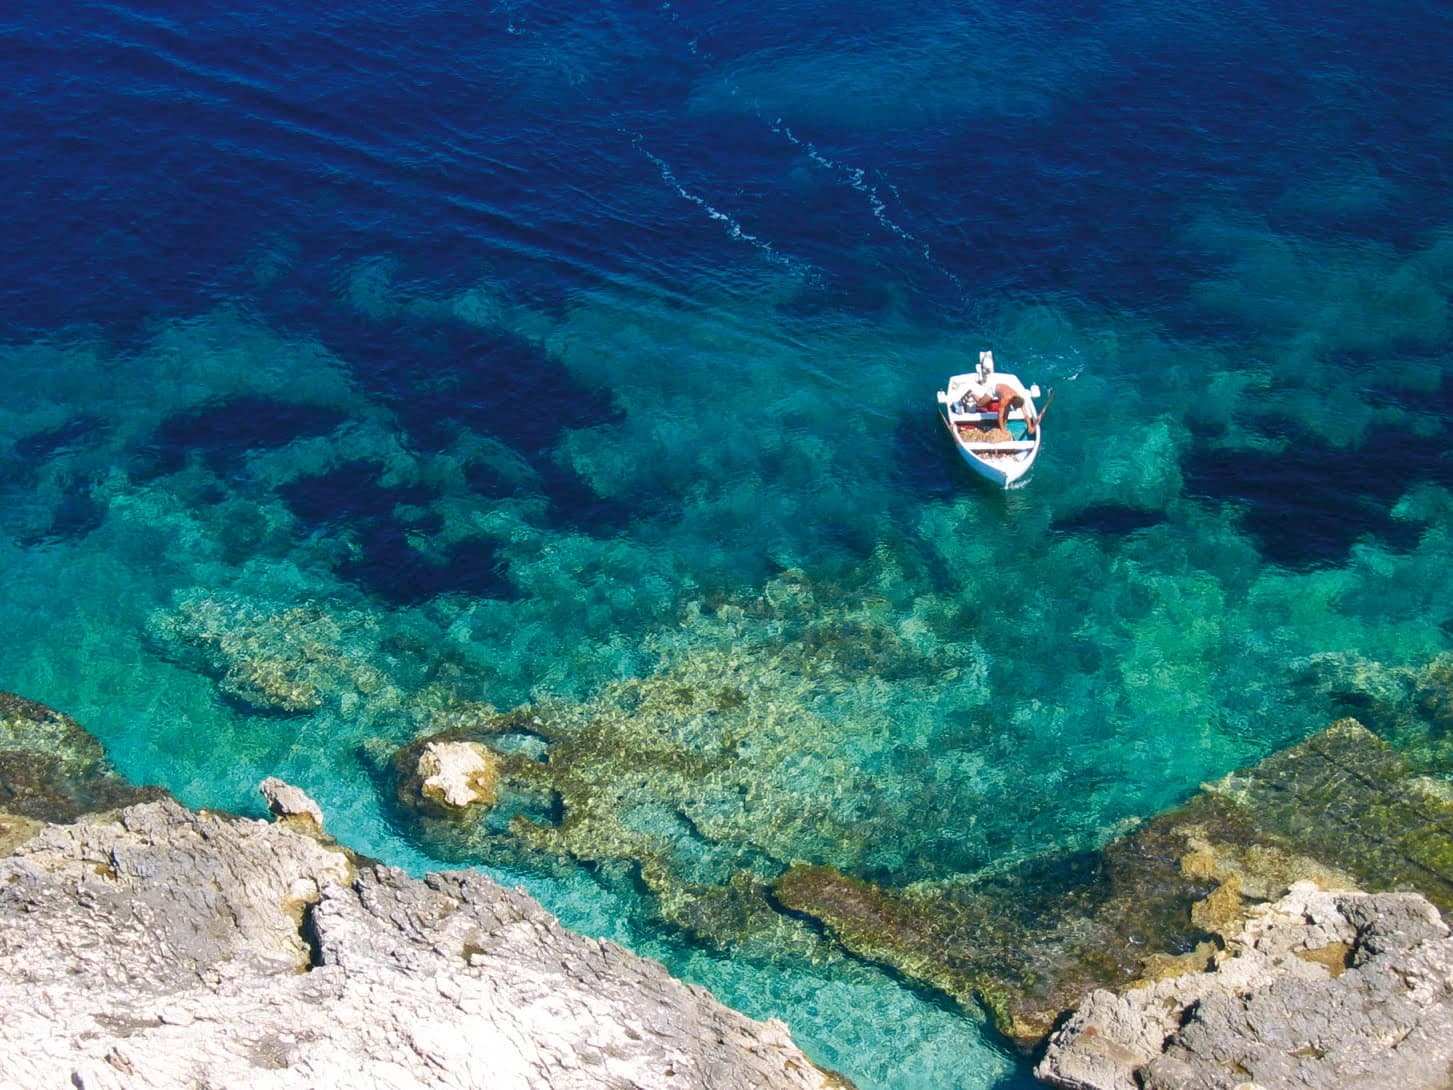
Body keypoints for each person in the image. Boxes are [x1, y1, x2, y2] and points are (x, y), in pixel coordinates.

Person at [971, 376, 1039, 436]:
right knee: (980, 404)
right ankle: (972, 394)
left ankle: (1003, 425)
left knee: (1007, 411)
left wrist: (1030, 426)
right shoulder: (1005, 399)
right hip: (995, 389)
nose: (1015, 408)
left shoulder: (1021, 401)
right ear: (1012, 402)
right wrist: (1002, 429)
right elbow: (1000, 415)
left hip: (1006, 391)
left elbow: (1026, 415)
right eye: (1015, 406)